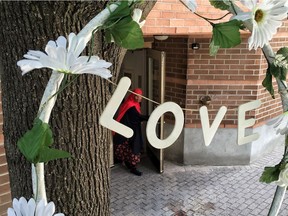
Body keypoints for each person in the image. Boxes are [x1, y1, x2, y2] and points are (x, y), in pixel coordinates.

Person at [113, 88, 149, 176]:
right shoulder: (130, 105)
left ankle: (130, 164)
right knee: (132, 147)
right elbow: (136, 117)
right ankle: (132, 167)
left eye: (141, 96)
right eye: (139, 96)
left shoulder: (135, 104)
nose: (141, 98)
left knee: (130, 147)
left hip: (132, 129)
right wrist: (148, 117)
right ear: (134, 96)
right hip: (129, 130)